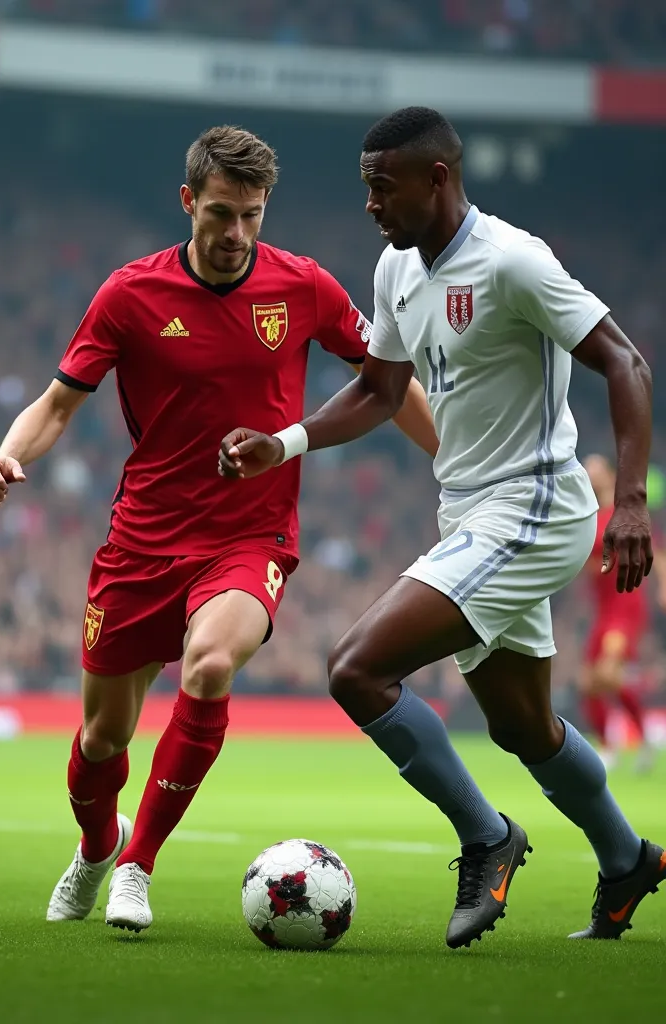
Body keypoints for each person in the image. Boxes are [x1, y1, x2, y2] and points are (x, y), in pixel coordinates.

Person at [219, 106, 665, 949]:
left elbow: (625, 361)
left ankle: (487, 837)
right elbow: (381, 393)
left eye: (382, 187)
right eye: (364, 188)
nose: (370, 204)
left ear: (438, 178)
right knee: (521, 726)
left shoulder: (513, 260)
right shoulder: (395, 271)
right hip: (468, 511)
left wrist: (632, 501)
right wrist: (282, 444)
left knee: (355, 668)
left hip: (535, 503)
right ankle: (625, 856)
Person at [0, 126, 438, 933]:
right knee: (99, 740)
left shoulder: (304, 288)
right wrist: (7, 457)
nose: (235, 235)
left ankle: (137, 865)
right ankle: (96, 846)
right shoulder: (130, 294)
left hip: (248, 539)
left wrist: (457, 465)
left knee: (211, 664)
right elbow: (56, 404)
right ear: (188, 201)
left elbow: (387, 383)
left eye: (252, 216)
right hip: (142, 543)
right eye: (221, 214)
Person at [580, 453, 666, 771]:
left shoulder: (624, 510)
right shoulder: (584, 514)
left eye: (595, 468)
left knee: (605, 673)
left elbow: (655, 550)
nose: (590, 474)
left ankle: (611, 748)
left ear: (609, 473)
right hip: (602, 609)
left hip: (625, 604)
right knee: (589, 685)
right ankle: (639, 739)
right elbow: (587, 564)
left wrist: (663, 585)